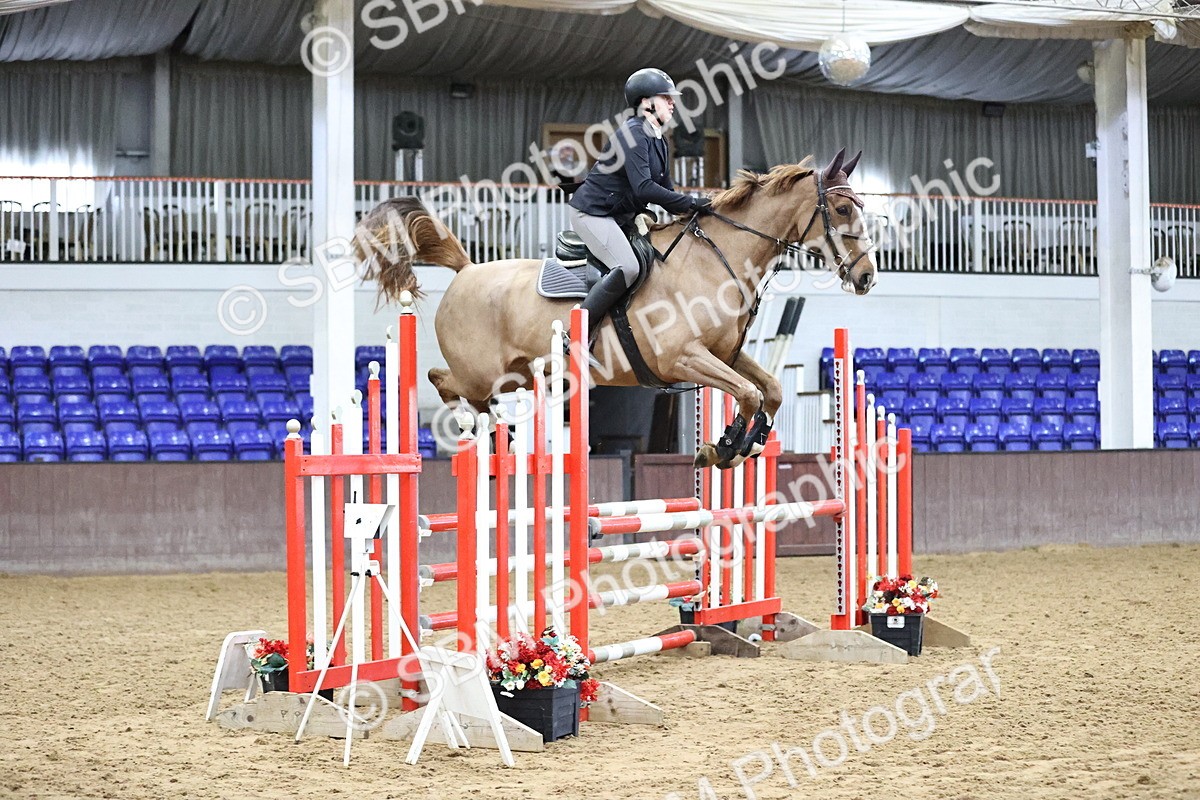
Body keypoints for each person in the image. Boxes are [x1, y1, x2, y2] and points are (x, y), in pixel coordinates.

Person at [568, 68, 712, 346]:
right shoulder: (634, 133)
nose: (672, 103)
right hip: (593, 214)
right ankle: (576, 332)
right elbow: (644, 187)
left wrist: (699, 212)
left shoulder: (659, 139)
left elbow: (667, 192)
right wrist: (693, 202)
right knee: (629, 267)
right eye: (665, 97)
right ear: (646, 102)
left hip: (619, 215)